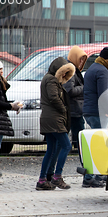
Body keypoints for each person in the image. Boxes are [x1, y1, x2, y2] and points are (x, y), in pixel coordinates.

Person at [37, 57, 75, 190]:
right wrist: (63, 109)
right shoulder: (52, 80)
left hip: (49, 119)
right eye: (63, 72)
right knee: (66, 146)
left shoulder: (48, 78)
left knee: (51, 150)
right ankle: (57, 177)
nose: (64, 75)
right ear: (58, 70)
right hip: (54, 119)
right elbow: (54, 98)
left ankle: (42, 180)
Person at [83, 47, 108, 187]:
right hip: (98, 113)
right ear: (105, 59)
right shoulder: (102, 71)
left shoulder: (92, 68)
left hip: (89, 111)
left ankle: (94, 176)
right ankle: (92, 178)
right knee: (99, 145)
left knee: (94, 144)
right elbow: (103, 94)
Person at [64, 46, 87, 151]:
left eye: (83, 59)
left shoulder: (73, 69)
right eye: (80, 59)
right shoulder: (71, 70)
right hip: (74, 109)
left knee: (77, 135)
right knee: (80, 136)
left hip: (75, 109)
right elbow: (70, 90)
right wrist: (83, 88)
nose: (82, 62)